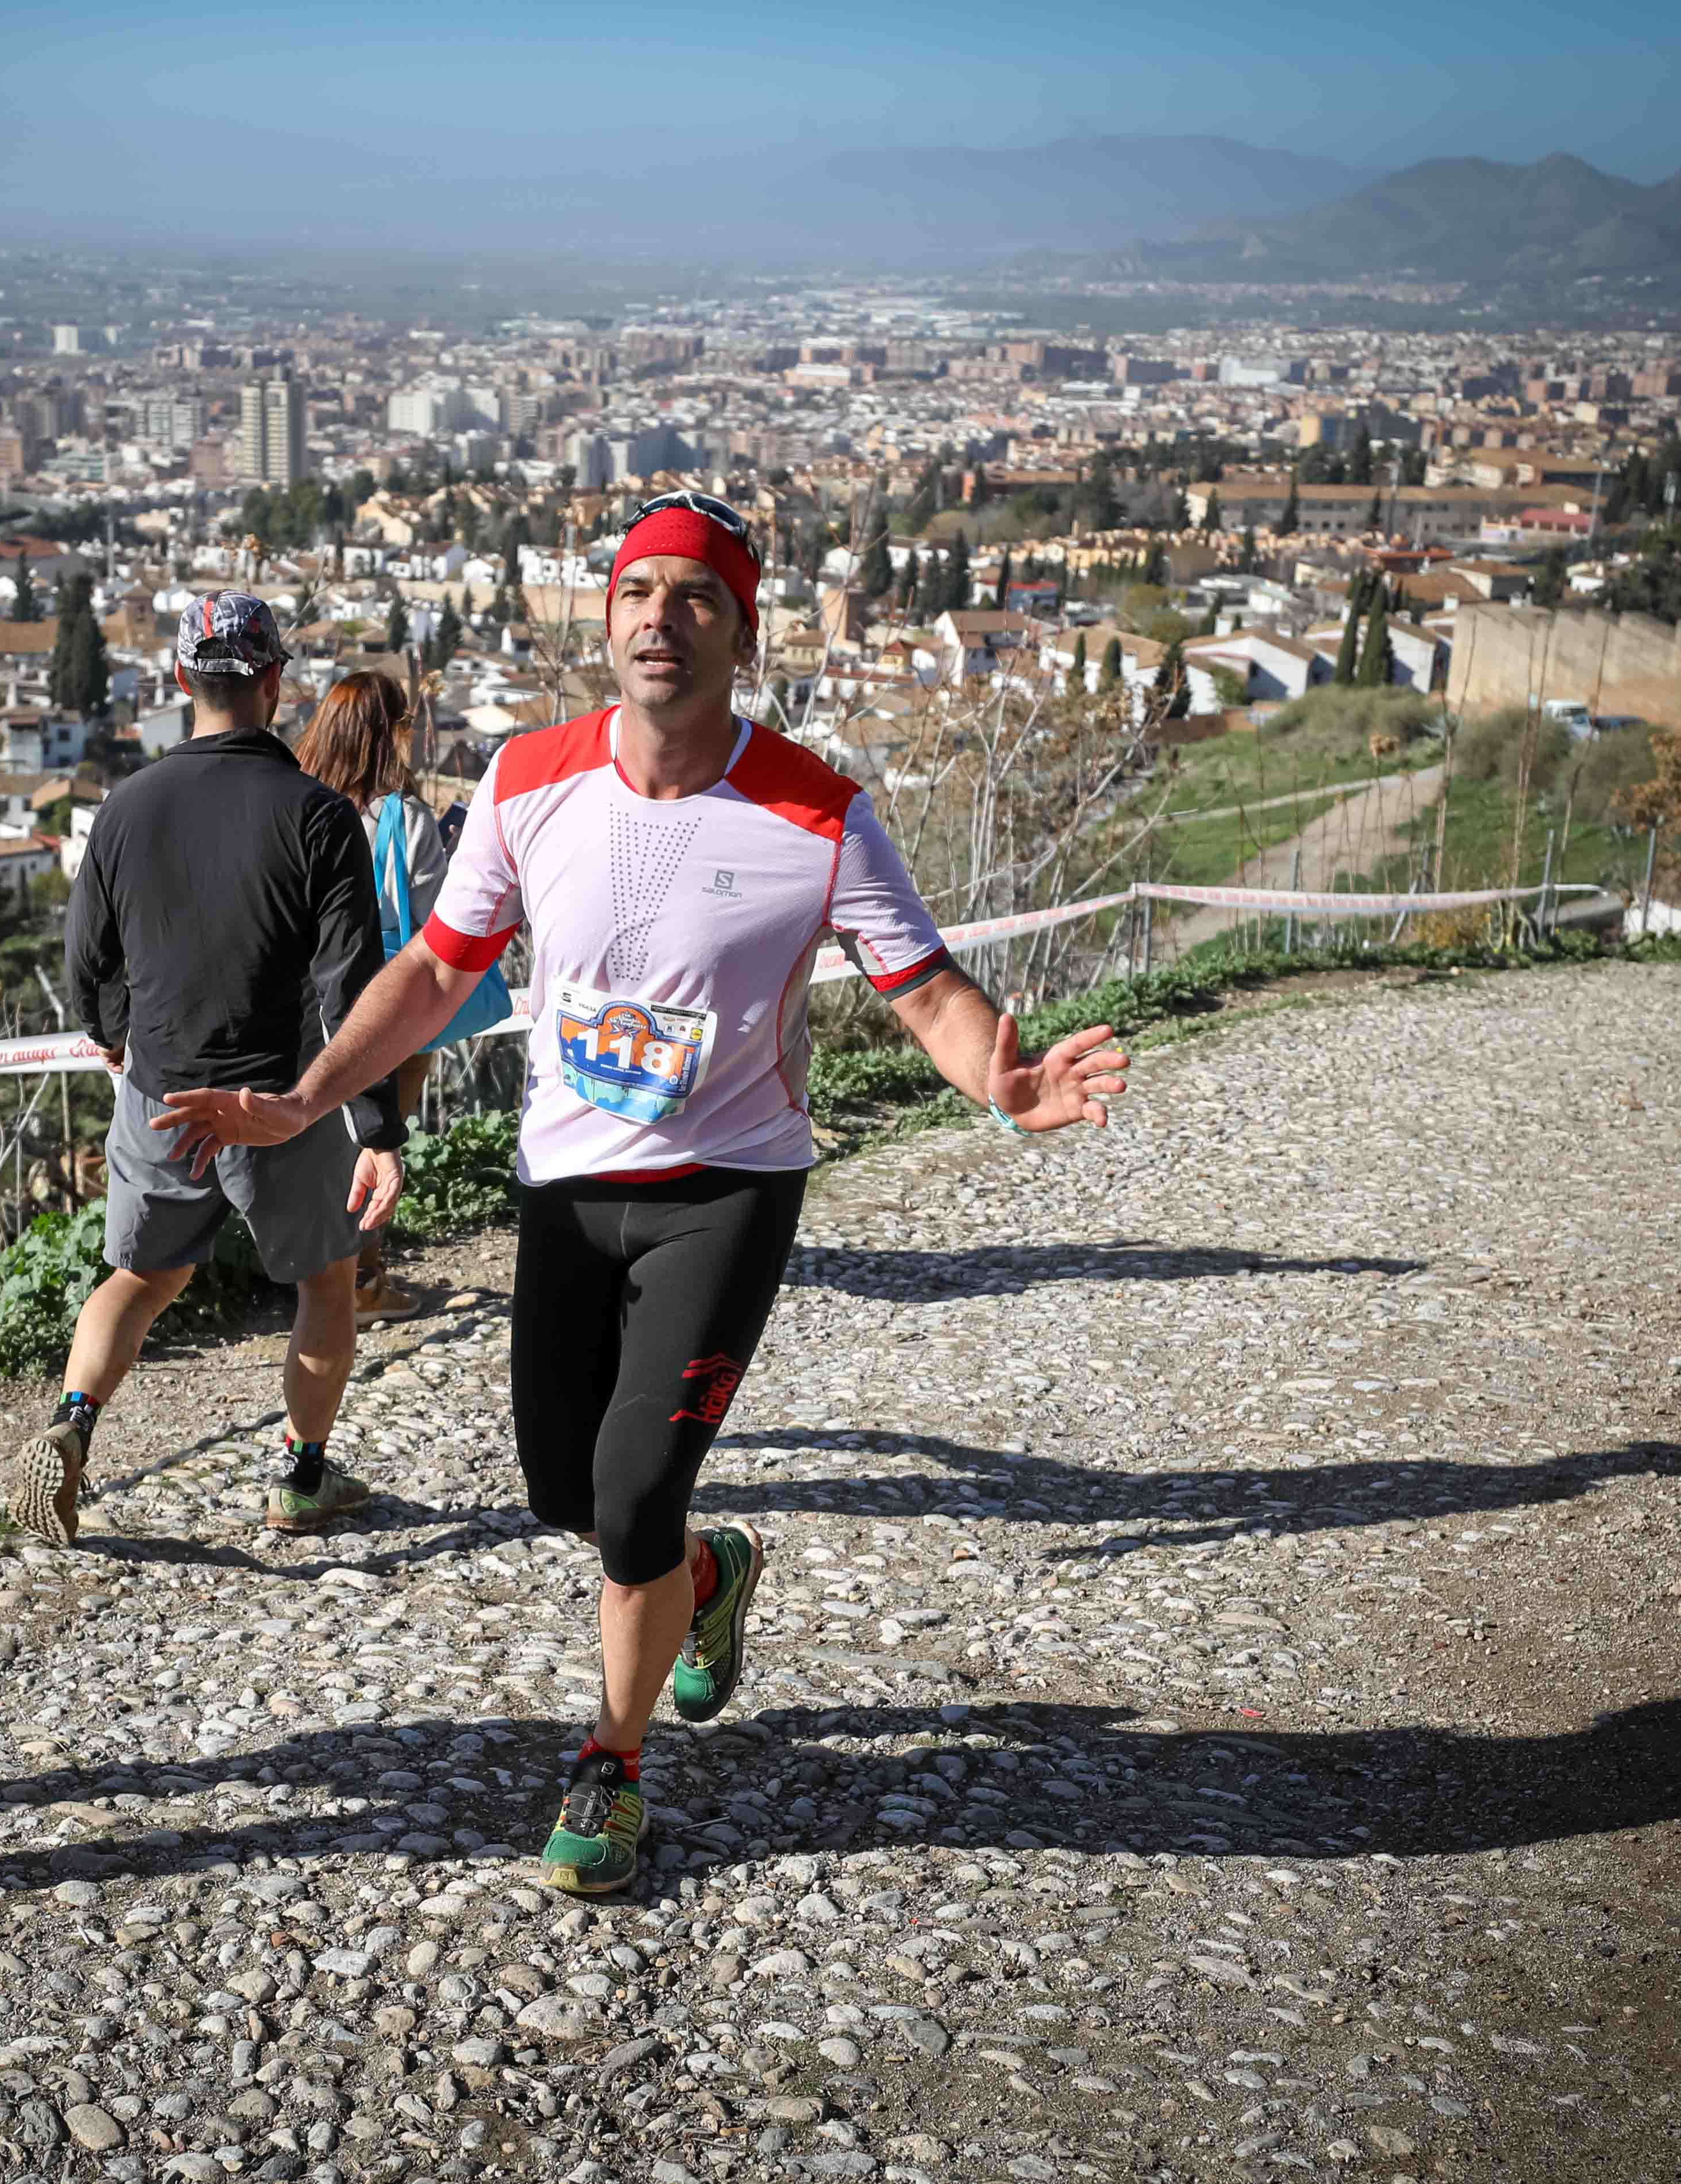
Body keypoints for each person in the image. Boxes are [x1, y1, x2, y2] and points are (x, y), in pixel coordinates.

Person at [157, 492, 1128, 1896]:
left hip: (726, 1191)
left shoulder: (816, 808)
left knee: (627, 1492)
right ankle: (707, 1577)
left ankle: (607, 1768)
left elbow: (920, 988)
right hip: (568, 1187)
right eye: (634, 594)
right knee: (567, 1489)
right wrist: (311, 1098)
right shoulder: (528, 777)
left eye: (692, 597)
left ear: (738, 632)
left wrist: (1001, 1080)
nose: (657, 619)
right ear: (601, 619)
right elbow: (434, 969)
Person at [5, 591, 406, 1547]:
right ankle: (299, 1478)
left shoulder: (123, 809)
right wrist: (377, 1129)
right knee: (323, 1282)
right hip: (281, 1103)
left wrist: (115, 1038)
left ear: (183, 680)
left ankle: (71, 1425)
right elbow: (352, 988)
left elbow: (85, 960)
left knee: (138, 1279)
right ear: (274, 683)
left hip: (160, 1096)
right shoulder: (318, 817)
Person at [292, 670, 441, 1325]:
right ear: (391, 736)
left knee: (316, 1143)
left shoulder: (293, 805)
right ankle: (362, 1283)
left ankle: (316, 1275)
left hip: (302, 1009)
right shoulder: (404, 820)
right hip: (391, 1013)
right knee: (377, 1146)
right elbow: (439, 921)